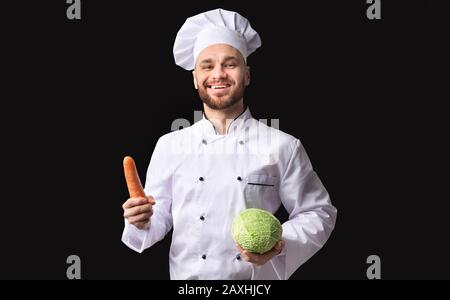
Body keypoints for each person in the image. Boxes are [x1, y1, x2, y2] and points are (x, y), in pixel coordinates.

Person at [121, 8, 337, 280]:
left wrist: (279, 244)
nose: (218, 74)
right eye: (207, 65)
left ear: (246, 75)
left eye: (230, 64)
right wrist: (140, 219)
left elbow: (319, 212)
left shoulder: (282, 145)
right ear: (195, 78)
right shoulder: (169, 145)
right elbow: (158, 219)